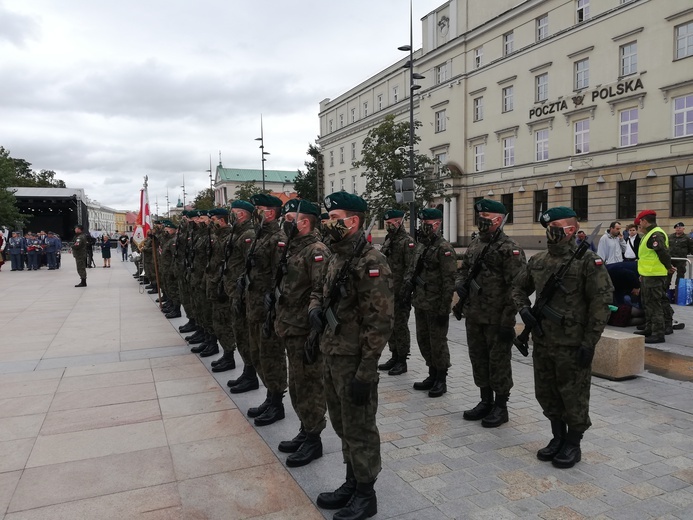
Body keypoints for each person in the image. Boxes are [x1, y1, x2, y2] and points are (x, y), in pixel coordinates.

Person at [513, 206, 613, 469]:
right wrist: (523, 309)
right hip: (543, 340)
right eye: (549, 229)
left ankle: (573, 443)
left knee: (574, 396)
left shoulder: (588, 262)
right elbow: (517, 288)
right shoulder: (539, 261)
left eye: (557, 228)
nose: (552, 233)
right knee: (546, 392)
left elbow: (601, 304)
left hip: (572, 343)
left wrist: (590, 342)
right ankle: (557, 437)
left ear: (572, 231)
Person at [315, 192, 393, 520]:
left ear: (353, 221)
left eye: (335, 217)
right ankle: (351, 481)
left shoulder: (371, 261)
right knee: (342, 424)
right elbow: (320, 292)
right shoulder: (336, 255)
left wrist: (366, 370)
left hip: (354, 361)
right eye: (328, 216)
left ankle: (366, 494)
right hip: (331, 353)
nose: (329, 222)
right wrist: (313, 313)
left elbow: (380, 321)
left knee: (360, 428)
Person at [456, 199, 526, 428]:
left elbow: (517, 287)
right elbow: (464, 270)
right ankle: (484, 400)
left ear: (498, 219)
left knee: (498, 363)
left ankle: (501, 406)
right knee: (478, 359)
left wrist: (508, 321)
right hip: (474, 315)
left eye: (486, 217)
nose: (481, 220)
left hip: (497, 318)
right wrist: (460, 286)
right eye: (480, 216)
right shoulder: (475, 244)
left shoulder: (509, 248)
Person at [273, 198, 330, 467]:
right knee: (296, 384)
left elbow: (321, 292)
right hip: (290, 326)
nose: (285, 224)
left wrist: (314, 333)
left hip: (305, 331)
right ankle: (305, 430)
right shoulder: (294, 248)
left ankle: (314, 439)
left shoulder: (316, 251)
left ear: (304, 222)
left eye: (289, 220)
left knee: (309, 385)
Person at [242, 193, 288, 426]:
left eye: (258, 208)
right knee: (258, 352)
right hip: (254, 304)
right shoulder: (260, 236)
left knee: (272, 355)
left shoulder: (278, 239)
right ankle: (270, 396)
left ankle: (277, 402)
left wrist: (273, 301)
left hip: (268, 308)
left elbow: (280, 275)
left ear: (270, 212)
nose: (255, 211)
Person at [402, 208, 456, 398]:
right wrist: (407, 289)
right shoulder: (421, 245)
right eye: (422, 223)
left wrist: (444, 308)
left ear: (438, 224)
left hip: (436, 304)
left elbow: (449, 281)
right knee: (423, 340)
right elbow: (411, 269)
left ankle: (441, 379)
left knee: (438, 343)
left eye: (427, 223)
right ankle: (431, 374)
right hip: (420, 302)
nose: (424, 226)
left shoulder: (444, 248)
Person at [377, 209, 415, 376]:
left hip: (400, 292)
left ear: (399, 222)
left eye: (391, 223)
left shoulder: (407, 242)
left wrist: (405, 291)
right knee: (390, 326)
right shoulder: (388, 240)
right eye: (387, 224)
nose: (389, 226)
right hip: (388, 291)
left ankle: (402, 359)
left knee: (400, 326)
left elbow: (411, 268)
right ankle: (394, 355)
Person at [634, 210, 676, 343]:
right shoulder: (650, 234)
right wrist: (642, 273)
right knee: (648, 303)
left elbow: (663, 252)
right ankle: (650, 328)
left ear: (644, 221)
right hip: (648, 274)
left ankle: (658, 333)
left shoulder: (655, 234)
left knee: (655, 304)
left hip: (655, 275)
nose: (639, 224)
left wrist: (669, 266)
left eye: (640, 222)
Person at [668, 222, 693, 288]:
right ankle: (667, 291)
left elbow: (691, 248)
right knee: (668, 276)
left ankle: (678, 291)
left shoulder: (687, 238)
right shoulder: (670, 236)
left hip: (681, 260)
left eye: (679, 228)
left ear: (683, 229)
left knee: (680, 277)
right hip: (671, 259)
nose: (678, 229)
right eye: (677, 228)